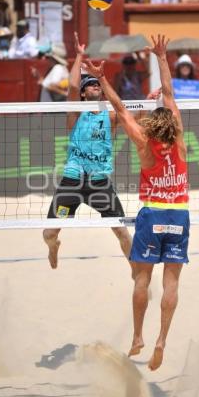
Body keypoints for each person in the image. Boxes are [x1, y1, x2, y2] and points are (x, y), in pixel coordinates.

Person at [84, 34, 190, 371]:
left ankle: (138, 336)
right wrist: (161, 57)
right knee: (171, 283)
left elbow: (118, 108)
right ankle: (162, 340)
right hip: (180, 214)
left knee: (142, 279)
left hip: (152, 214)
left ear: (150, 126)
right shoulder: (181, 141)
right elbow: (170, 94)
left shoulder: (144, 143)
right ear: (172, 125)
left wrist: (101, 78)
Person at [43, 33, 134, 278]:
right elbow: (72, 86)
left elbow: (131, 115)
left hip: (99, 182)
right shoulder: (75, 114)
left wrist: (152, 100)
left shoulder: (111, 116)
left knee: (122, 232)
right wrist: (80, 56)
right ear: (84, 94)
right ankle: (54, 248)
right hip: (72, 180)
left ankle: (138, 271)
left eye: (97, 85)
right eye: (91, 85)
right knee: (49, 234)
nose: (95, 87)